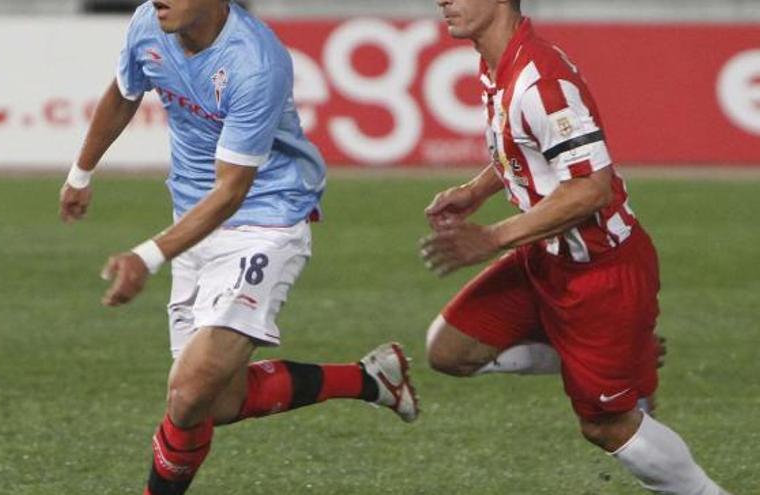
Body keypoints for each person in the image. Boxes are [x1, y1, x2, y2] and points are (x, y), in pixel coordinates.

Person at [58, 1, 418, 493]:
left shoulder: (254, 62)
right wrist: (82, 172)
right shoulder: (149, 22)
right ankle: (371, 379)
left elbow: (231, 192)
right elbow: (124, 92)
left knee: (187, 395)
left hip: (265, 220)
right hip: (193, 219)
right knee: (217, 403)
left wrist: (146, 256)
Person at [422, 1, 729, 493]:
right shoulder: (498, 62)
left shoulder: (539, 80)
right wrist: (476, 191)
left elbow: (591, 189)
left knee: (605, 425)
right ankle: (626, 356)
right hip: (543, 258)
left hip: (601, 274)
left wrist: (492, 238)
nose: (444, 0)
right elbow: (526, 147)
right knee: (449, 350)